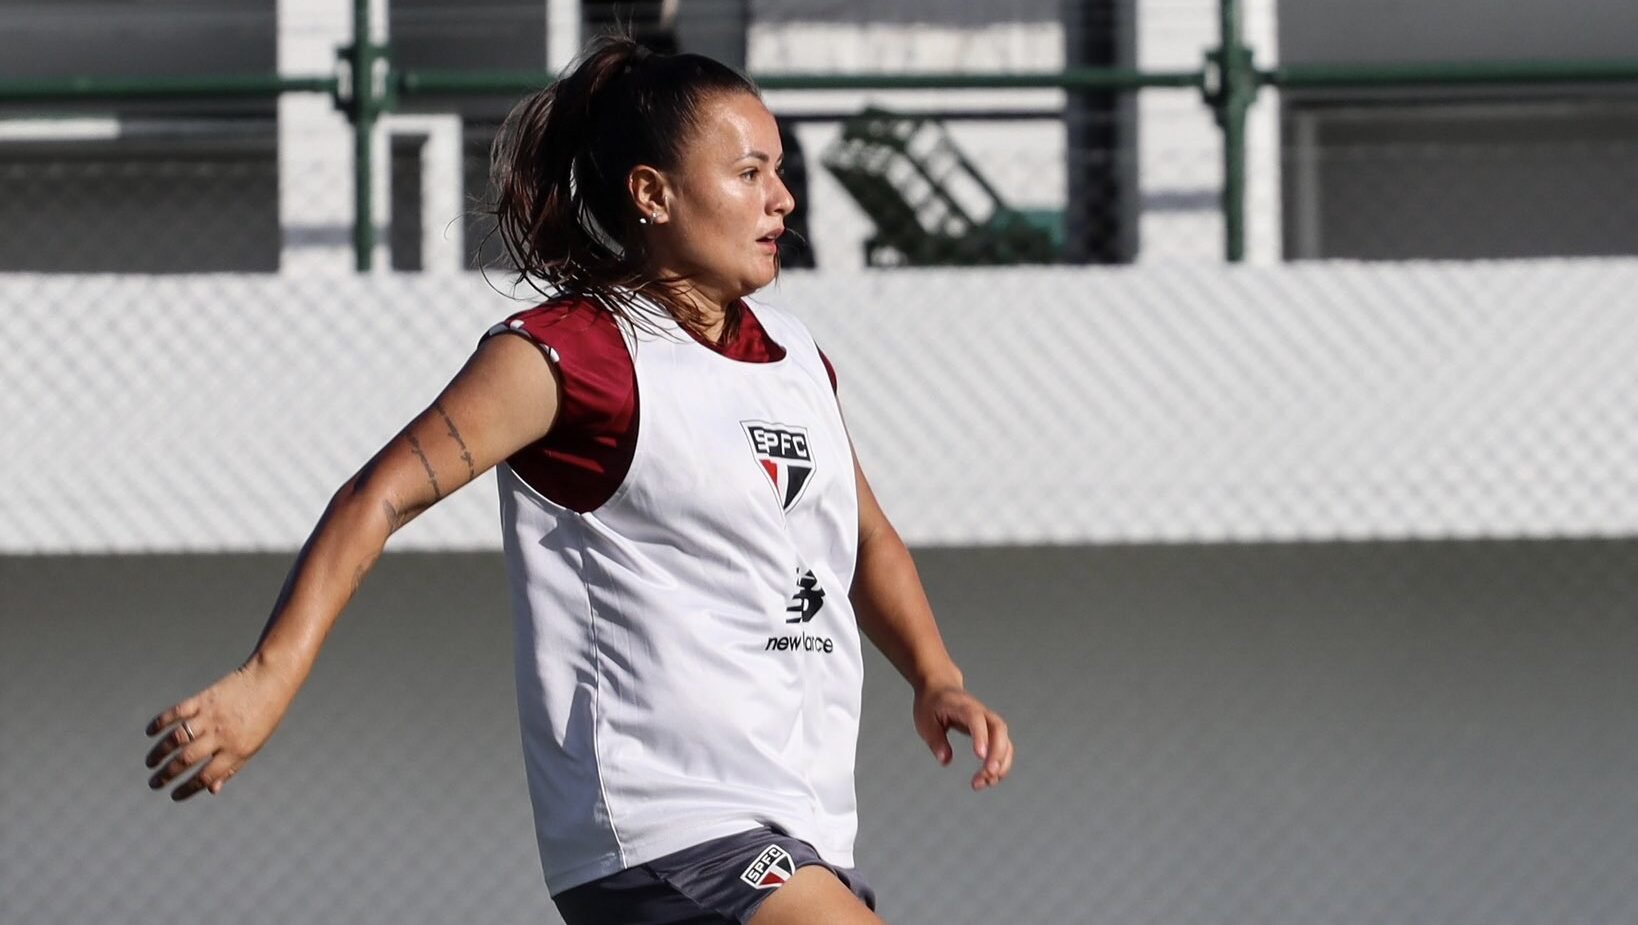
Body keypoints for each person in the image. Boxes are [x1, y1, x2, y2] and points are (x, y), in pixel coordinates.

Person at [143, 36, 1013, 925]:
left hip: (803, 832)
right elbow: (379, 496)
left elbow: (865, 538)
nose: (782, 198)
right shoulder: (577, 353)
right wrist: (265, 678)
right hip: (664, 834)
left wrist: (934, 675)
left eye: (779, 170)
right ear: (651, 194)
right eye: (749, 172)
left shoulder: (795, 358)